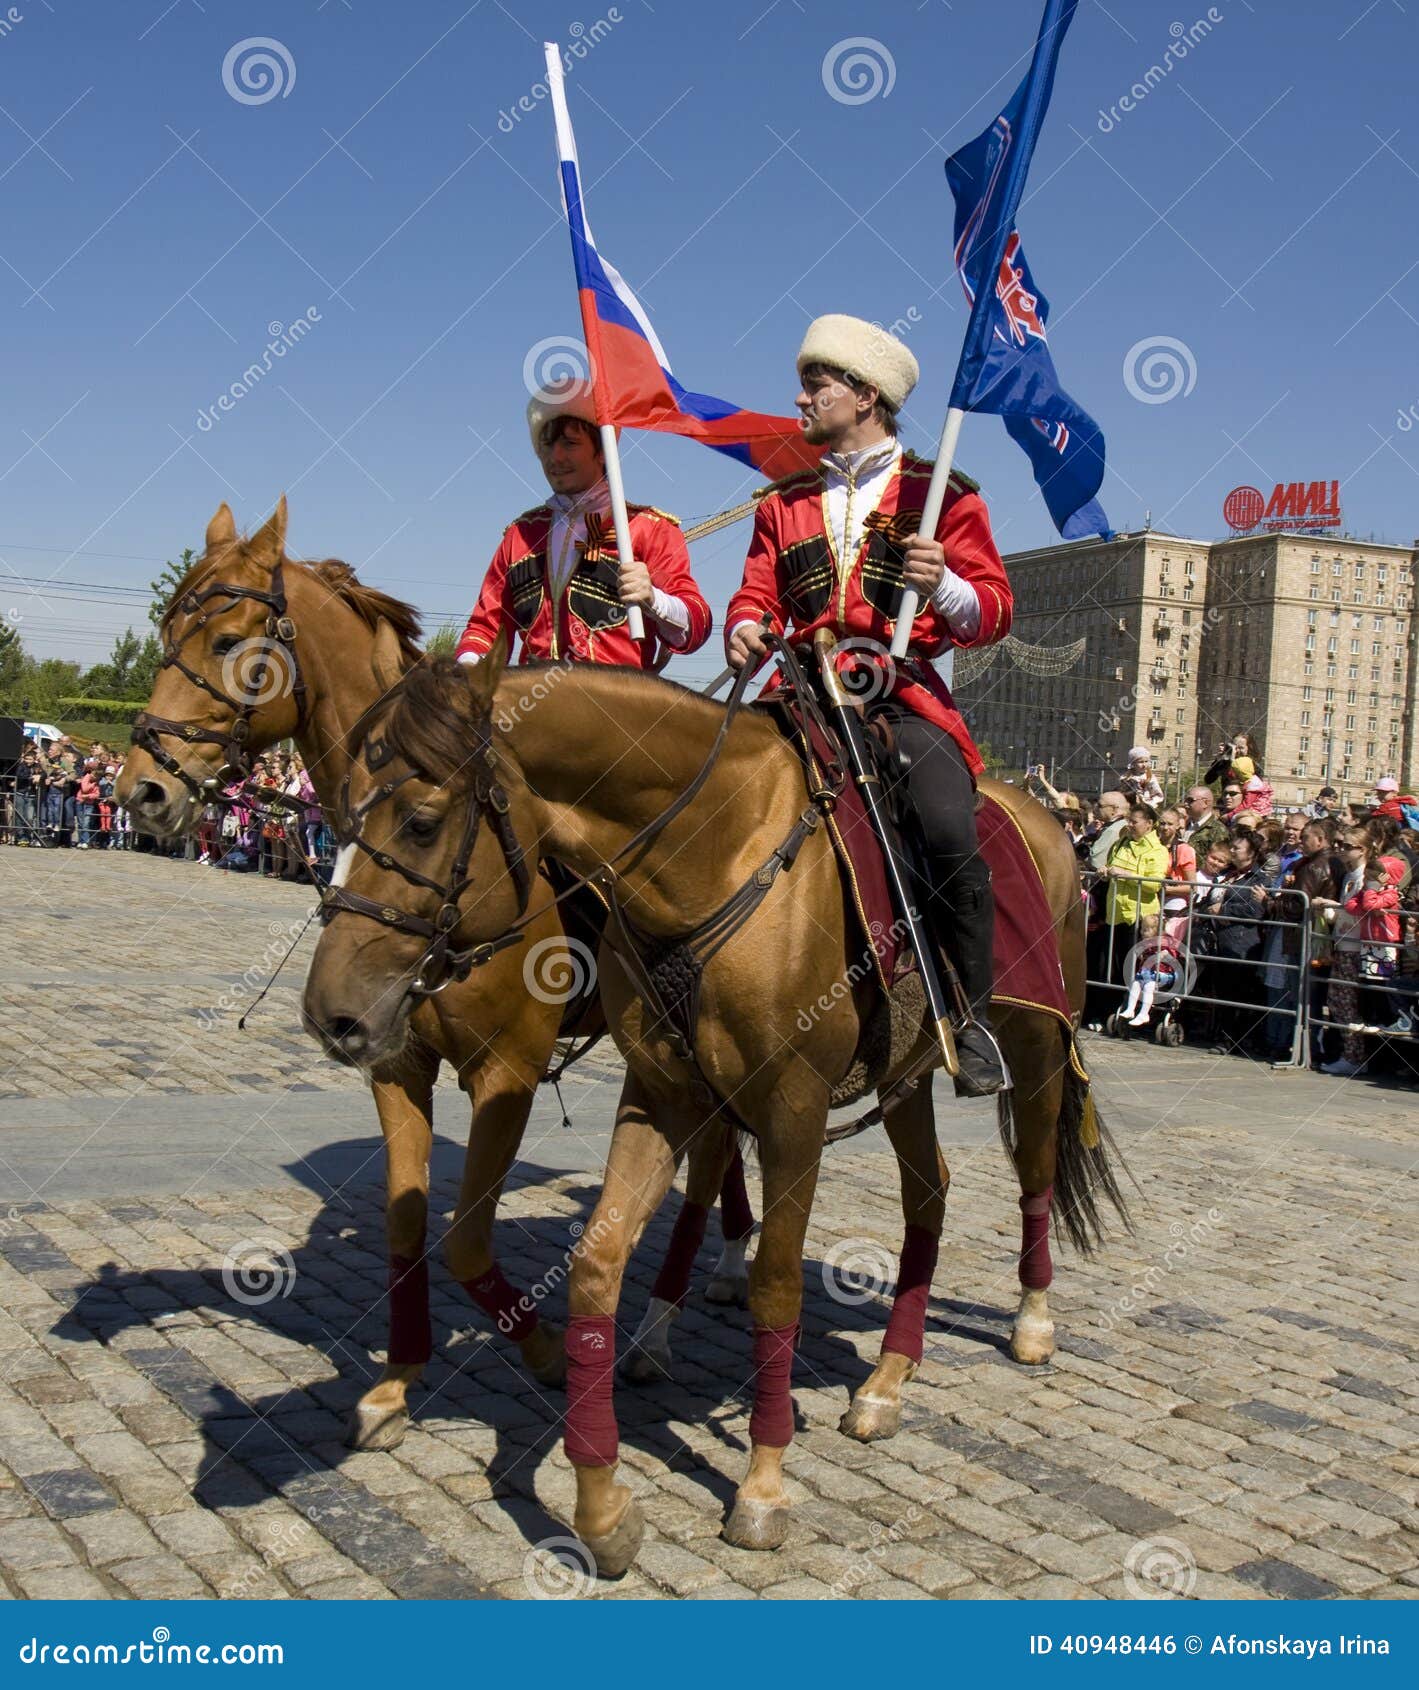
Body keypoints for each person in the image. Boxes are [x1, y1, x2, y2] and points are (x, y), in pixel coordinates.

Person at [725, 314, 1012, 1093]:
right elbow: (754, 594)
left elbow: (991, 612)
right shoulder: (780, 504)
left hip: (899, 696)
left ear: (865, 395)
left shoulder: (940, 496)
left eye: (815, 384)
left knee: (950, 828)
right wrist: (747, 629)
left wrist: (941, 585)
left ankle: (970, 1015)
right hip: (801, 693)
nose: (801, 397)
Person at [456, 379, 712, 672]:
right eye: (548, 444)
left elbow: (697, 628)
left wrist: (656, 601)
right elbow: (484, 628)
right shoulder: (520, 535)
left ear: (603, 451)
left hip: (618, 710)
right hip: (528, 708)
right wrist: (469, 672)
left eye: (570, 443)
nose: (555, 457)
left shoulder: (651, 529)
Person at [1092, 802, 1170, 1025]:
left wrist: (1123, 873)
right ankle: (1109, 1010)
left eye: (1135, 822)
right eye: (1129, 821)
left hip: (1140, 917)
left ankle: (1132, 1010)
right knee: (1110, 966)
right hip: (1115, 913)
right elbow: (1111, 868)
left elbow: (1154, 884)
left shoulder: (1158, 850)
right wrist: (1105, 872)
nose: (1131, 825)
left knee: (1134, 968)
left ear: (1149, 824)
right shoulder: (1121, 844)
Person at [1314, 828, 1377, 1076]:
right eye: (1341, 844)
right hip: (1342, 941)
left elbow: (1359, 911)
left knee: (1346, 1002)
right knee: (1337, 1001)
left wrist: (1332, 907)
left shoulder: (1365, 876)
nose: (1342, 849)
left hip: (1354, 945)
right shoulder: (1350, 875)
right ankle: (1348, 1053)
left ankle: (1354, 1056)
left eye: (1348, 846)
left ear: (1361, 849)